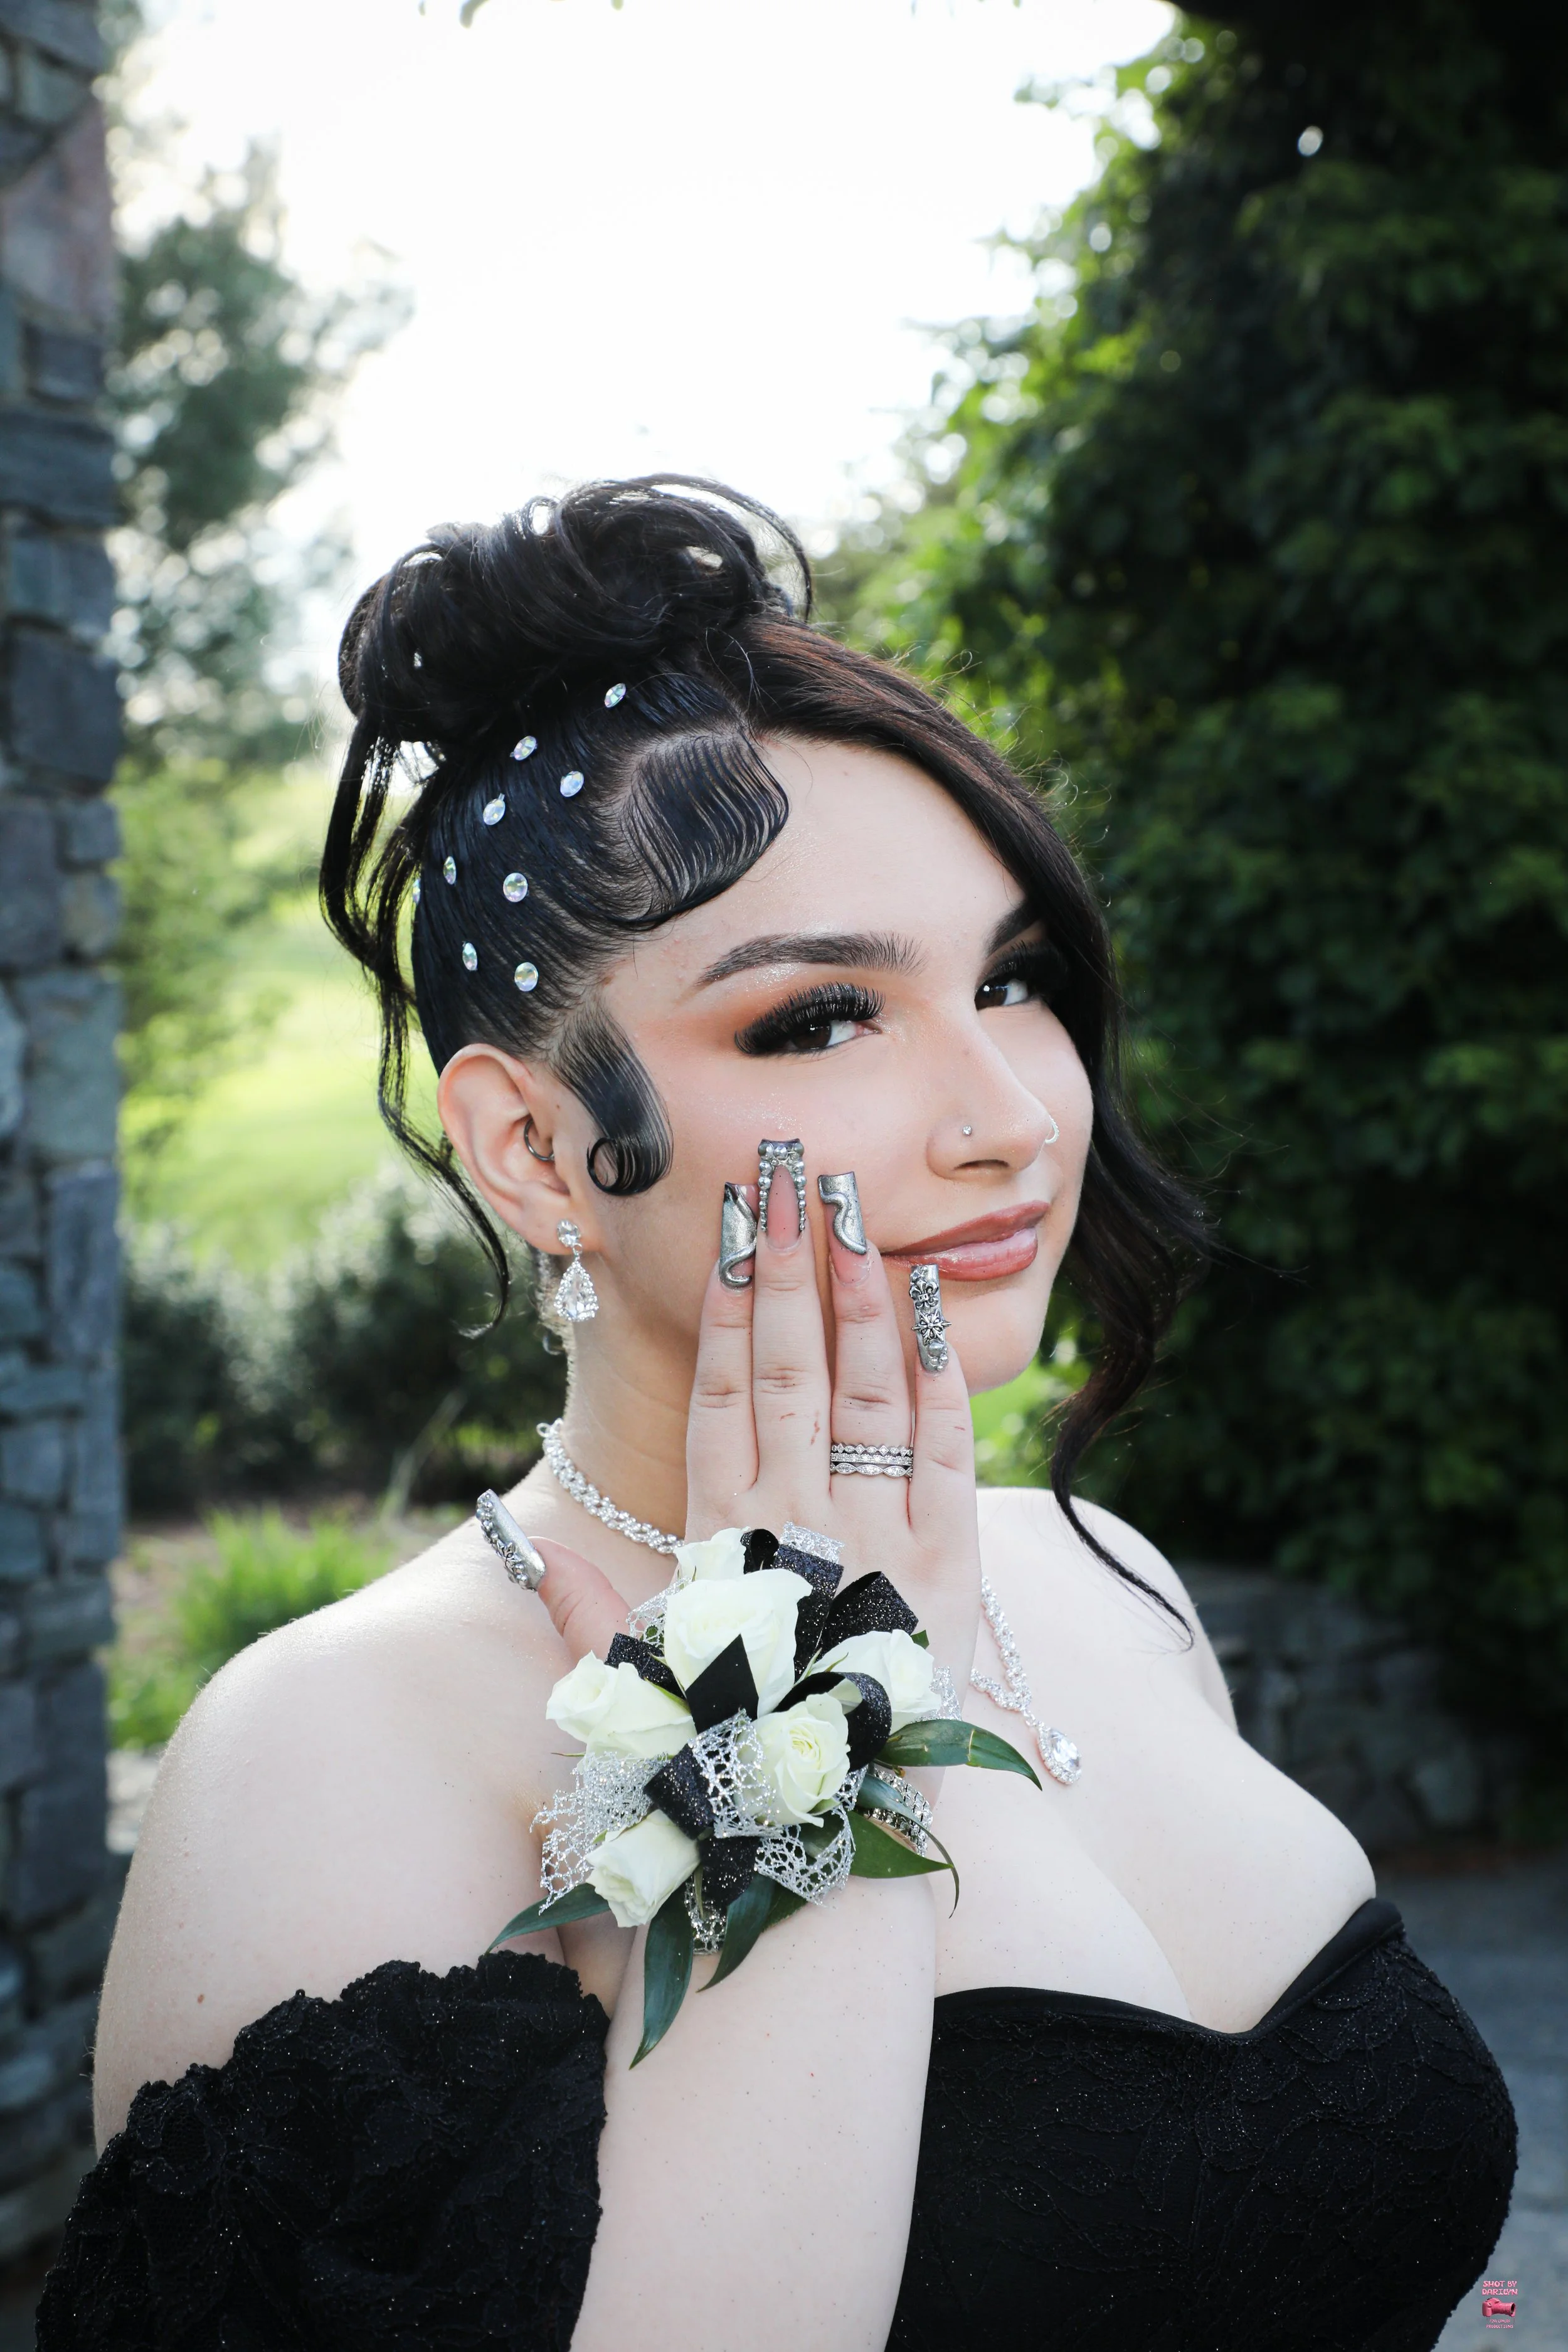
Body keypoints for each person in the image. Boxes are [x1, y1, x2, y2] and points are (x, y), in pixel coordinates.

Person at [41, 481, 1515, 2351]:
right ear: (532, 1144)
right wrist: (789, 1809)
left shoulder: (1096, 1571)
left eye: (1013, 979)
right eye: (821, 1016)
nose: (1008, 1115)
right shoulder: (333, 1751)